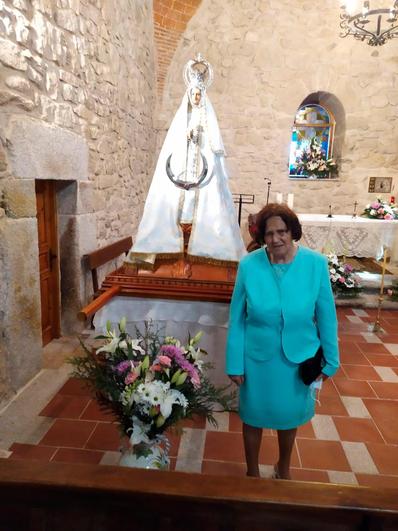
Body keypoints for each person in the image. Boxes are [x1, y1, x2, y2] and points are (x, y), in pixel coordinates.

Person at [225, 203, 339, 479]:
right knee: (253, 417)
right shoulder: (249, 266)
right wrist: (234, 362)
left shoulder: (315, 265)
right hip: (257, 357)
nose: (275, 239)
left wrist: (332, 360)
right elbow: (237, 317)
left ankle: (283, 468)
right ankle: (252, 472)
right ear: (261, 236)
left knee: (289, 417)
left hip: (298, 358)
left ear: (293, 232)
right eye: (268, 233)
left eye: (282, 232)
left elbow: (326, 317)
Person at [125, 54, 246, 268]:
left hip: (204, 180)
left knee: (210, 200)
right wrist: (187, 137)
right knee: (169, 204)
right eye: (193, 94)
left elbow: (215, 147)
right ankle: (164, 247)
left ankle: (211, 249)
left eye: (199, 95)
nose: (196, 98)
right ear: (189, 95)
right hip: (180, 176)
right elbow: (172, 148)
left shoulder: (208, 120)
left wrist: (201, 138)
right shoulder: (181, 120)